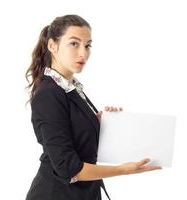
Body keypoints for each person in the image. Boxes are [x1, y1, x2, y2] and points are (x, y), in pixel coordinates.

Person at [24, 14, 162, 200]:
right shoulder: (49, 93)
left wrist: (101, 124)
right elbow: (67, 167)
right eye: (74, 43)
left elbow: (79, 142)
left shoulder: (70, 88)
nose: (83, 53)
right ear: (52, 46)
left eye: (88, 45)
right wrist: (123, 170)